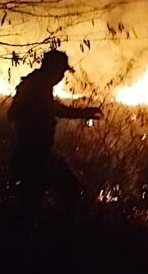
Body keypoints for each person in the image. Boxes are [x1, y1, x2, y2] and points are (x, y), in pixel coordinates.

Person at [8, 49, 101, 218]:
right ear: (52, 68)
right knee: (34, 204)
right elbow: (20, 113)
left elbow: (24, 112)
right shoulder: (36, 86)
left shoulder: (38, 85)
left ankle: (50, 229)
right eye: (60, 71)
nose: (61, 76)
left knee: (42, 200)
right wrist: (81, 113)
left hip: (38, 154)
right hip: (33, 156)